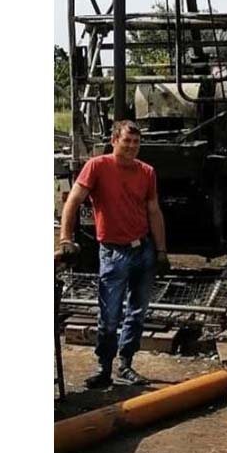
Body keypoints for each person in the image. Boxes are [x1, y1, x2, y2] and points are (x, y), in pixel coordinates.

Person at [59, 120, 169, 388]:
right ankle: (104, 367)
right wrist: (66, 238)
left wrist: (161, 250)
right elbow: (73, 200)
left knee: (137, 312)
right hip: (113, 252)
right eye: (126, 141)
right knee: (109, 316)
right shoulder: (97, 166)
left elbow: (153, 210)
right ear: (114, 141)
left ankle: (125, 365)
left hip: (142, 249)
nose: (132, 147)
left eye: (136, 142)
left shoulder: (147, 172)